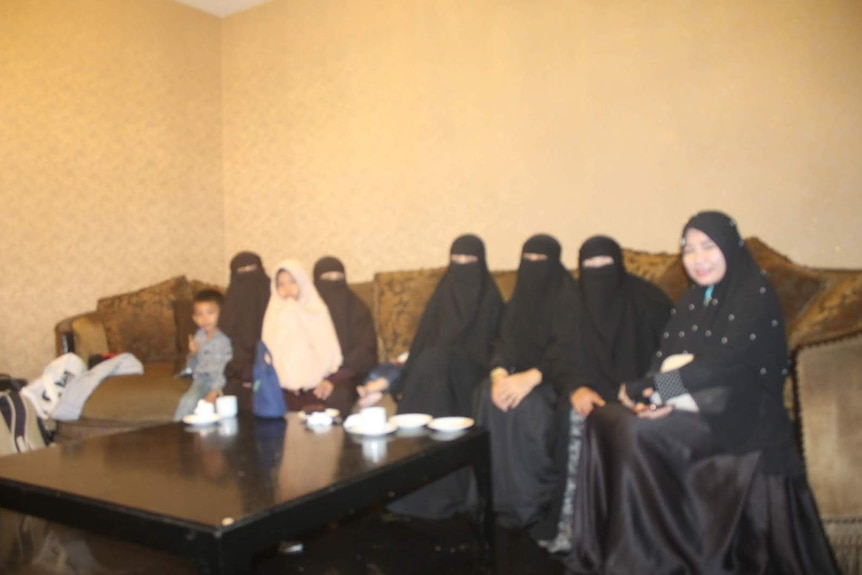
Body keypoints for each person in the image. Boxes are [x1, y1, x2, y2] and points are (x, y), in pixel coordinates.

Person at [566, 211, 838, 574]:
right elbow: (663, 356)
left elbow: (724, 366)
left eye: (708, 247)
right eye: (689, 250)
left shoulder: (752, 293)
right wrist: (647, 396)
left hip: (741, 411)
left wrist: (658, 390)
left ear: (729, 247)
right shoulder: (695, 299)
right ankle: (621, 548)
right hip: (695, 400)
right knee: (605, 419)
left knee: (635, 431)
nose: (698, 259)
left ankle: (650, 557)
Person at [533, 235, 672, 551]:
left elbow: (672, 359)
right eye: (589, 267)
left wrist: (651, 393)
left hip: (638, 392)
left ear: (619, 265)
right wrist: (575, 388)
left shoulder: (649, 301)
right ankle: (571, 527)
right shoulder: (570, 303)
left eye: (605, 265)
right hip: (587, 390)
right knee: (572, 417)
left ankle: (628, 535)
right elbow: (559, 356)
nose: (598, 274)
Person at [380, 234, 505, 518]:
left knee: (437, 362)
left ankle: (445, 491)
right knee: (432, 361)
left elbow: (497, 346)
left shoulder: (491, 298)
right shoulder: (443, 293)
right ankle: (412, 488)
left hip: (473, 369)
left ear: (481, 262)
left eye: (469, 261)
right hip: (435, 368)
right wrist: (401, 377)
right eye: (456, 260)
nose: (462, 266)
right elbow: (423, 340)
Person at [474, 234, 579, 529]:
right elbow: (503, 343)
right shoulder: (518, 301)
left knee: (528, 407)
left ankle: (532, 500)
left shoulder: (570, 300)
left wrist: (533, 377)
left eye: (541, 261)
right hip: (517, 374)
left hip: (553, 378)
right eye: (527, 261)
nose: (533, 268)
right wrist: (498, 375)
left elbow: (568, 349)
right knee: (485, 394)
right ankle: (495, 498)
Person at [261, 260, 343, 414]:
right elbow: (269, 349)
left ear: (303, 283)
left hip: (314, 388)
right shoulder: (273, 315)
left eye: (292, 282)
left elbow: (328, 348)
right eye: (281, 284)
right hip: (282, 389)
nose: (287, 288)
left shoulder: (317, 310)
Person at [312, 256, 378, 415]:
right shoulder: (306, 310)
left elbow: (365, 349)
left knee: (339, 397)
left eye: (339, 279)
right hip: (309, 375)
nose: (333, 284)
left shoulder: (357, 307)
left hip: (347, 375)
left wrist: (335, 378)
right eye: (327, 279)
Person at [219, 251, 271, 409]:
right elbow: (226, 345)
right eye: (243, 272)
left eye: (252, 270)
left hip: (271, 367)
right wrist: (244, 370)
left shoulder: (277, 303)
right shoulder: (228, 308)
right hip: (237, 370)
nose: (249, 277)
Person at [174, 290, 233, 421]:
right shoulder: (199, 336)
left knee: (218, 413)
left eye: (210, 313)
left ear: (222, 313)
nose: (204, 319)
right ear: (194, 318)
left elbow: (227, 369)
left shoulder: (226, 339)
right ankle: (178, 435)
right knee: (187, 402)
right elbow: (194, 367)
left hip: (221, 383)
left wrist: (214, 392)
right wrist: (193, 353)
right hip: (201, 381)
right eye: (199, 314)